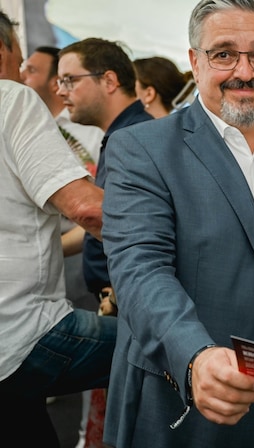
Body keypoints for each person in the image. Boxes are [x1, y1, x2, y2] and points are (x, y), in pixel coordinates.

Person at [100, 1, 254, 446]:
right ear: (195, 60)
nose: (244, 71)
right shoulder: (142, 148)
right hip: (189, 403)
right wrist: (197, 357)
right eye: (224, 53)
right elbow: (140, 270)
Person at [0, 10, 116, 446]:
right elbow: (88, 209)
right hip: (20, 334)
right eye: (21, 59)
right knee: (160, 348)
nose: (25, 73)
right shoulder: (9, 97)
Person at [57, 36, 154, 446]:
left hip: (127, 307)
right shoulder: (127, 134)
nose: (61, 92)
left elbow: (124, 224)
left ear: (109, 79)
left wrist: (119, 291)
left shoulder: (136, 139)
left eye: (70, 80)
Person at [20, 44, 106, 448]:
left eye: (31, 68)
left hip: (80, 285)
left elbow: (90, 211)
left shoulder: (82, 134)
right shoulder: (25, 115)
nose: (24, 74)